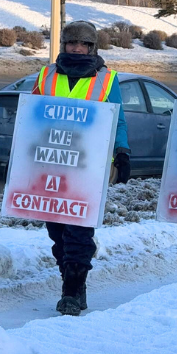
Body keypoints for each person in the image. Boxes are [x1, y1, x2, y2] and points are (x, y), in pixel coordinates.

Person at [32, 20, 130, 316]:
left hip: (89, 169)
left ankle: (71, 292)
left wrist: (122, 151)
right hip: (51, 166)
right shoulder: (46, 75)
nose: (77, 48)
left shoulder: (107, 79)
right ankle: (74, 281)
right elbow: (33, 116)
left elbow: (118, 119)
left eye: (83, 44)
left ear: (92, 47)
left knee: (78, 231)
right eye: (71, 43)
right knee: (57, 232)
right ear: (64, 46)